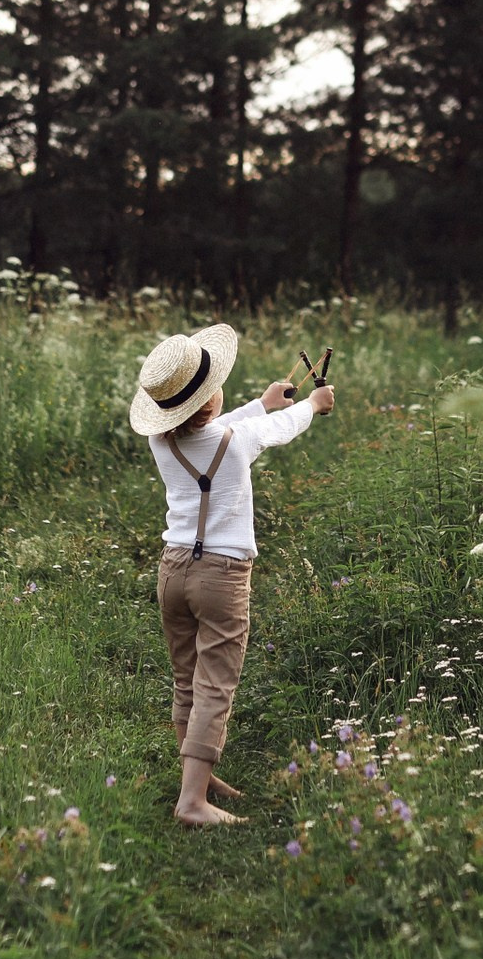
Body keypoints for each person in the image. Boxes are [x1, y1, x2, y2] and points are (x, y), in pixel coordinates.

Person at [129, 324, 332, 827]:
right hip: (221, 576)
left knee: (186, 678)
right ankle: (192, 801)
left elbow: (225, 430)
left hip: (172, 570)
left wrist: (262, 403)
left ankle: (193, 776)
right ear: (211, 398)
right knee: (216, 683)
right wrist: (312, 405)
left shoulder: (161, 440)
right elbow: (270, 431)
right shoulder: (235, 440)